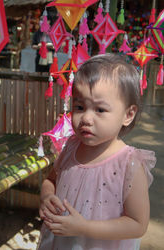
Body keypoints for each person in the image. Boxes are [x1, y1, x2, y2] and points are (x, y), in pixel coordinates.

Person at [38, 54, 156, 249]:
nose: (86, 118)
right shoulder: (71, 147)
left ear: (128, 115)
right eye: (79, 107)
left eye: (100, 110)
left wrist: (84, 227)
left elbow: (137, 224)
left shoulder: (129, 164)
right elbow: (51, 180)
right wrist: (47, 197)